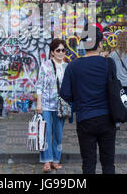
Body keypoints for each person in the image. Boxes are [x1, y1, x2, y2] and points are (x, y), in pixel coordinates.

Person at [60, 24, 116, 174]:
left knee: (88, 164)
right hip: (107, 118)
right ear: (100, 44)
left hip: (85, 119)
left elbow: (65, 94)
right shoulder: (109, 64)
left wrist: (78, 96)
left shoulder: (72, 66)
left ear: (84, 44)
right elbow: (115, 89)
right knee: (108, 163)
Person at [35, 38, 68, 172]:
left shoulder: (67, 67)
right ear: (52, 52)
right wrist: (39, 104)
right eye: (58, 50)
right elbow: (39, 85)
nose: (61, 52)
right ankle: (46, 161)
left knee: (58, 133)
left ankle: (56, 159)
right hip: (46, 106)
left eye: (63, 50)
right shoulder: (45, 65)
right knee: (46, 133)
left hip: (60, 106)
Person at [110, 32, 127, 131]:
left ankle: (117, 123)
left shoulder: (113, 54)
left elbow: (111, 68)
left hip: (117, 82)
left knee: (117, 102)